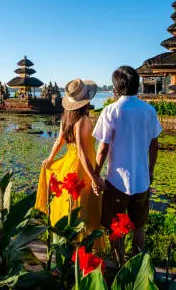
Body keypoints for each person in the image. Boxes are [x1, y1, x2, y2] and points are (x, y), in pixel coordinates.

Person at [92, 66, 162, 264]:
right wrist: (150, 171)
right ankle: (139, 266)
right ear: (137, 85)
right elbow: (154, 145)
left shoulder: (111, 111)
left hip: (116, 181)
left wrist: (96, 174)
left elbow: (103, 148)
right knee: (139, 226)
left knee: (116, 226)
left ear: (115, 88)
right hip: (141, 180)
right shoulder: (149, 111)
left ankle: (120, 265)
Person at [35, 78, 104, 247]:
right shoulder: (83, 121)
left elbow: (59, 141)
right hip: (81, 167)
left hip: (68, 164)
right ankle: (79, 247)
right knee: (82, 207)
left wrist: (50, 159)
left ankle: (65, 243)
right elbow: (82, 151)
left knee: (69, 204)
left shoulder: (66, 118)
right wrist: (94, 177)